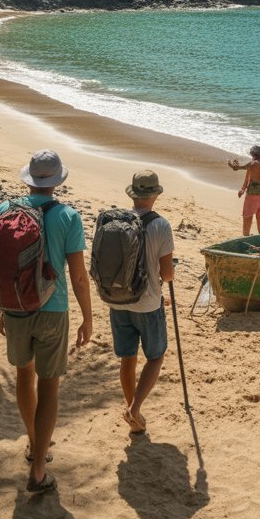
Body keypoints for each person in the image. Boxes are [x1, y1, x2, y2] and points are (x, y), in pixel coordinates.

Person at [0, 149, 92, 493]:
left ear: (29, 178)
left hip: (15, 311)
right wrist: (87, 317)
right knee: (50, 385)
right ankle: (39, 469)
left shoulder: (3, 210)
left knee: (23, 375)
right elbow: (79, 277)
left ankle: (32, 444)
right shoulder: (69, 217)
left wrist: (4, 299)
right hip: (53, 311)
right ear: (57, 182)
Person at [104, 170, 175, 437]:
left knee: (127, 357)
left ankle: (133, 411)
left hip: (118, 299)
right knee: (155, 356)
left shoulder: (117, 221)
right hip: (147, 303)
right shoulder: (161, 226)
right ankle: (135, 409)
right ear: (155, 194)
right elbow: (167, 275)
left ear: (132, 195)